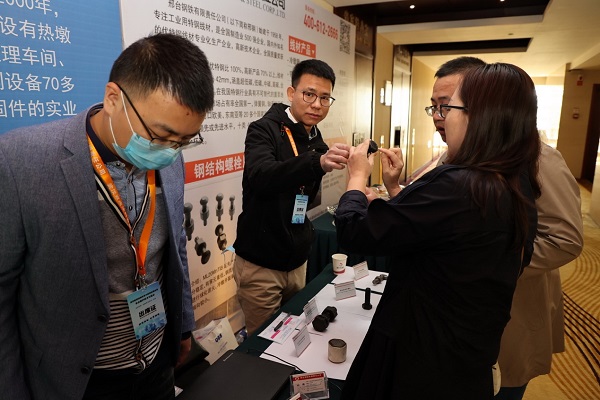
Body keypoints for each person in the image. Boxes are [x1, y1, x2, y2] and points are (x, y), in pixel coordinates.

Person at [0, 33, 214, 400]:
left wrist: (182, 327)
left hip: (155, 361)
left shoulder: (170, 157)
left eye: (184, 140)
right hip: (78, 379)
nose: (170, 151)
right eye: (160, 135)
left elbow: (175, 245)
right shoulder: (21, 161)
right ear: (113, 98)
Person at [336, 63, 541, 399]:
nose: (440, 117)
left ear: (480, 116)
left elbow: (352, 230)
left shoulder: (460, 183)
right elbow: (447, 236)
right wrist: (395, 195)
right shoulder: (515, 182)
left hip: (421, 358)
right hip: (465, 356)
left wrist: (357, 177)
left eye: (449, 108)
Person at [429, 57, 584, 399]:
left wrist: (485, 261)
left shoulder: (537, 158)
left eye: (449, 105)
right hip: (452, 313)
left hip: (510, 312)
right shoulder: (450, 157)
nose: (440, 117)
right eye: (435, 107)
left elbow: (565, 239)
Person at [233, 59, 350, 335]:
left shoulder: (315, 139)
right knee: (263, 342)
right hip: (261, 263)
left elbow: (305, 197)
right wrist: (316, 162)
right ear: (291, 93)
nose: (317, 104)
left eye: (325, 98)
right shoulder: (264, 129)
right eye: (309, 94)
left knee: (295, 334)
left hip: (297, 260)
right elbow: (261, 176)